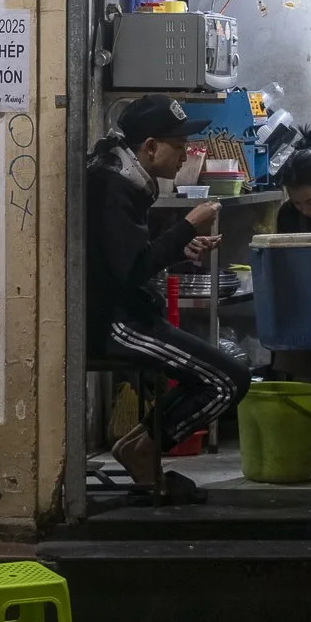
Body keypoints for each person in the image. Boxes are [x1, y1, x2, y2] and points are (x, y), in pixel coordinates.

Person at [85, 93, 252, 496]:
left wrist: (182, 247)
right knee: (226, 381)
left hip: (131, 314)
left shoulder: (124, 179)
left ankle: (140, 445)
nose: (185, 155)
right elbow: (130, 270)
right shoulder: (112, 186)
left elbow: (130, 256)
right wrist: (186, 227)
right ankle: (144, 448)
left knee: (224, 376)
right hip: (116, 323)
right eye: (179, 147)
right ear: (150, 147)